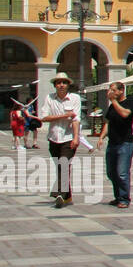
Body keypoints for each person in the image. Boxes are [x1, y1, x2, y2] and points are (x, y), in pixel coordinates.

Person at [40, 73, 81, 208]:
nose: (61, 85)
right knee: (61, 166)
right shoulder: (49, 98)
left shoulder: (75, 98)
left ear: (68, 84)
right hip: (53, 138)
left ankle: (59, 194)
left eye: (64, 82)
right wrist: (64, 116)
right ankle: (67, 196)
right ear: (55, 85)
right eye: (58, 82)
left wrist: (76, 137)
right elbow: (44, 117)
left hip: (68, 138)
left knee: (63, 165)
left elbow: (76, 119)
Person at [97, 81, 133, 208]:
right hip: (112, 143)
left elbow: (125, 114)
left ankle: (124, 199)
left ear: (121, 90)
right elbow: (108, 123)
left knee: (122, 173)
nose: (111, 92)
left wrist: (113, 101)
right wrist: (101, 137)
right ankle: (118, 196)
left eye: (113, 90)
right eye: (110, 90)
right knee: (111, 172)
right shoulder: (112, 107)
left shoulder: (129, 102)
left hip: (125, 143)